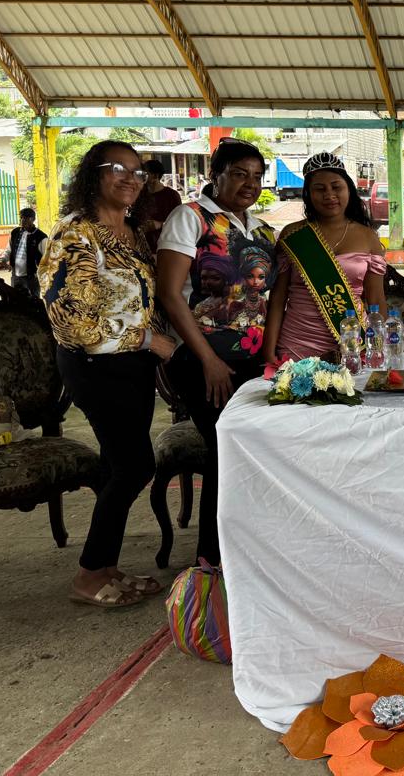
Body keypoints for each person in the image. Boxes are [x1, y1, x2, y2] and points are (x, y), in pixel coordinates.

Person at [39, 141, 176, 608]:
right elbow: (71, 324)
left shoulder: (132, 232)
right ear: (92, 175)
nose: (130, 178)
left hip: (131, 366)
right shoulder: (75, 234)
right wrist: (148, 340)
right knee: (135, 466)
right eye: (118, 168)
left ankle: (106, 567)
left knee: (123, 466)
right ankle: (88, 574)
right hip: (95, 365)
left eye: (138, 172)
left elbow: (140, 299)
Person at [157, 140, 276, 565]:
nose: (250, 184)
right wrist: (209, 360)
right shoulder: (190, 218)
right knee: (227, 450)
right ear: (216, 174)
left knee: (256, 451)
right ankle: (211, 559)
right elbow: (169, 294)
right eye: (239, 174)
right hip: (202, 360)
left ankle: (250, 548)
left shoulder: (262, 231)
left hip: (252, 361)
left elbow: (266, 302)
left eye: (257, 176)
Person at [263, 152, 387, 363]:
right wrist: (268, 350)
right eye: (320, 189)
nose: (329, 195)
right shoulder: (293, 235)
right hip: (296, 345)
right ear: (308, 194)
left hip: (352, 345)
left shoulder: (368, 237)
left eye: (336, 187)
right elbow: (277, 298)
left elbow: (376, 300)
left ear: (349, 189)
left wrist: (378, 349)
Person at [140, 160, 183, 253]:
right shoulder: (139, 194)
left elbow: (180, 224)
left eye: (145, 173)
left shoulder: (172, 196)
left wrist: (160, 224)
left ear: (155, 176)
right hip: (141, 246)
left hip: (164, 247)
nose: (140, 176)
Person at [8, 208, 48, 298]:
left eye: (26, 218)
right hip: (16, 275)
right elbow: (9, 250)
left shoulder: (41, 237)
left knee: (33, 300)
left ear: (33, 219)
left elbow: (46, 259)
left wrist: (43, 276)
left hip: (32, 277)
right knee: (15, 299)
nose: (23, 220)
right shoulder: (15, 232)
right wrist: (3, 260)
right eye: (21, 217)